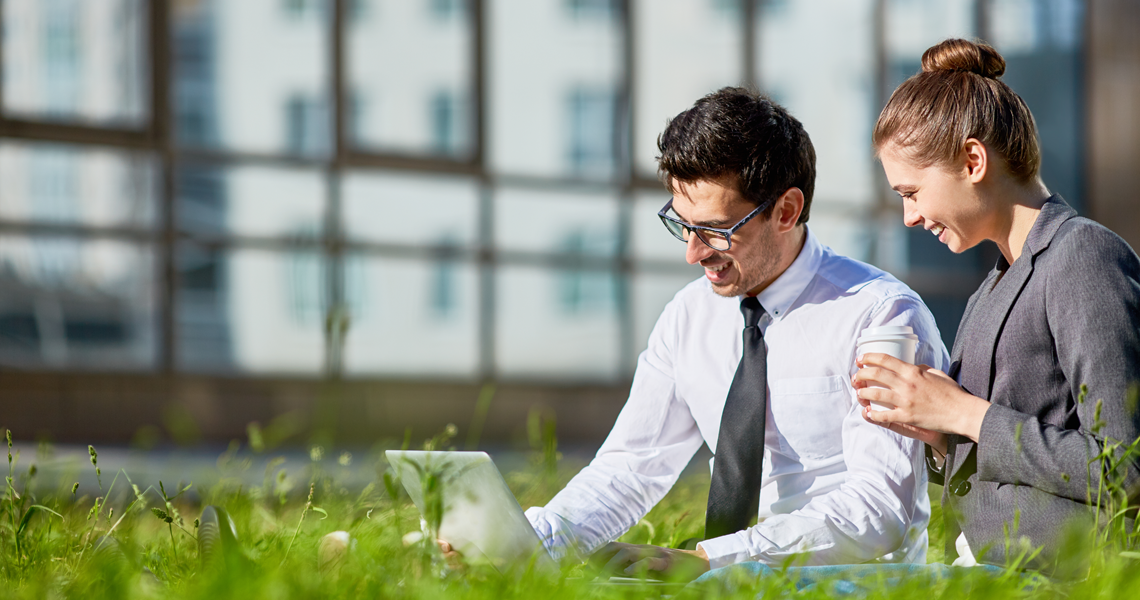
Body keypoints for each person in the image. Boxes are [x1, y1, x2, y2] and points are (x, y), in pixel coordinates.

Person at [525, 87, 950, 580]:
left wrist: (711, 560)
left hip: (848, 583)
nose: (693, 253)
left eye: (715, 230)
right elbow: (631, 465)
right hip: (714, 576)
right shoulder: (688, 315)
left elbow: (880, 509)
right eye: (681, 225)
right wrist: (534, 541)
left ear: (787, 211)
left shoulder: (879, 315)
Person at [854, 38, 1140, 575]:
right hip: (976, 571)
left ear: (972, 159)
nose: (908, 217)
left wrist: (965, 413)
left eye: (911, 192)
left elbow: (1125, 468)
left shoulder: (1083, 255)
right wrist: (938, 432)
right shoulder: (992, 285)